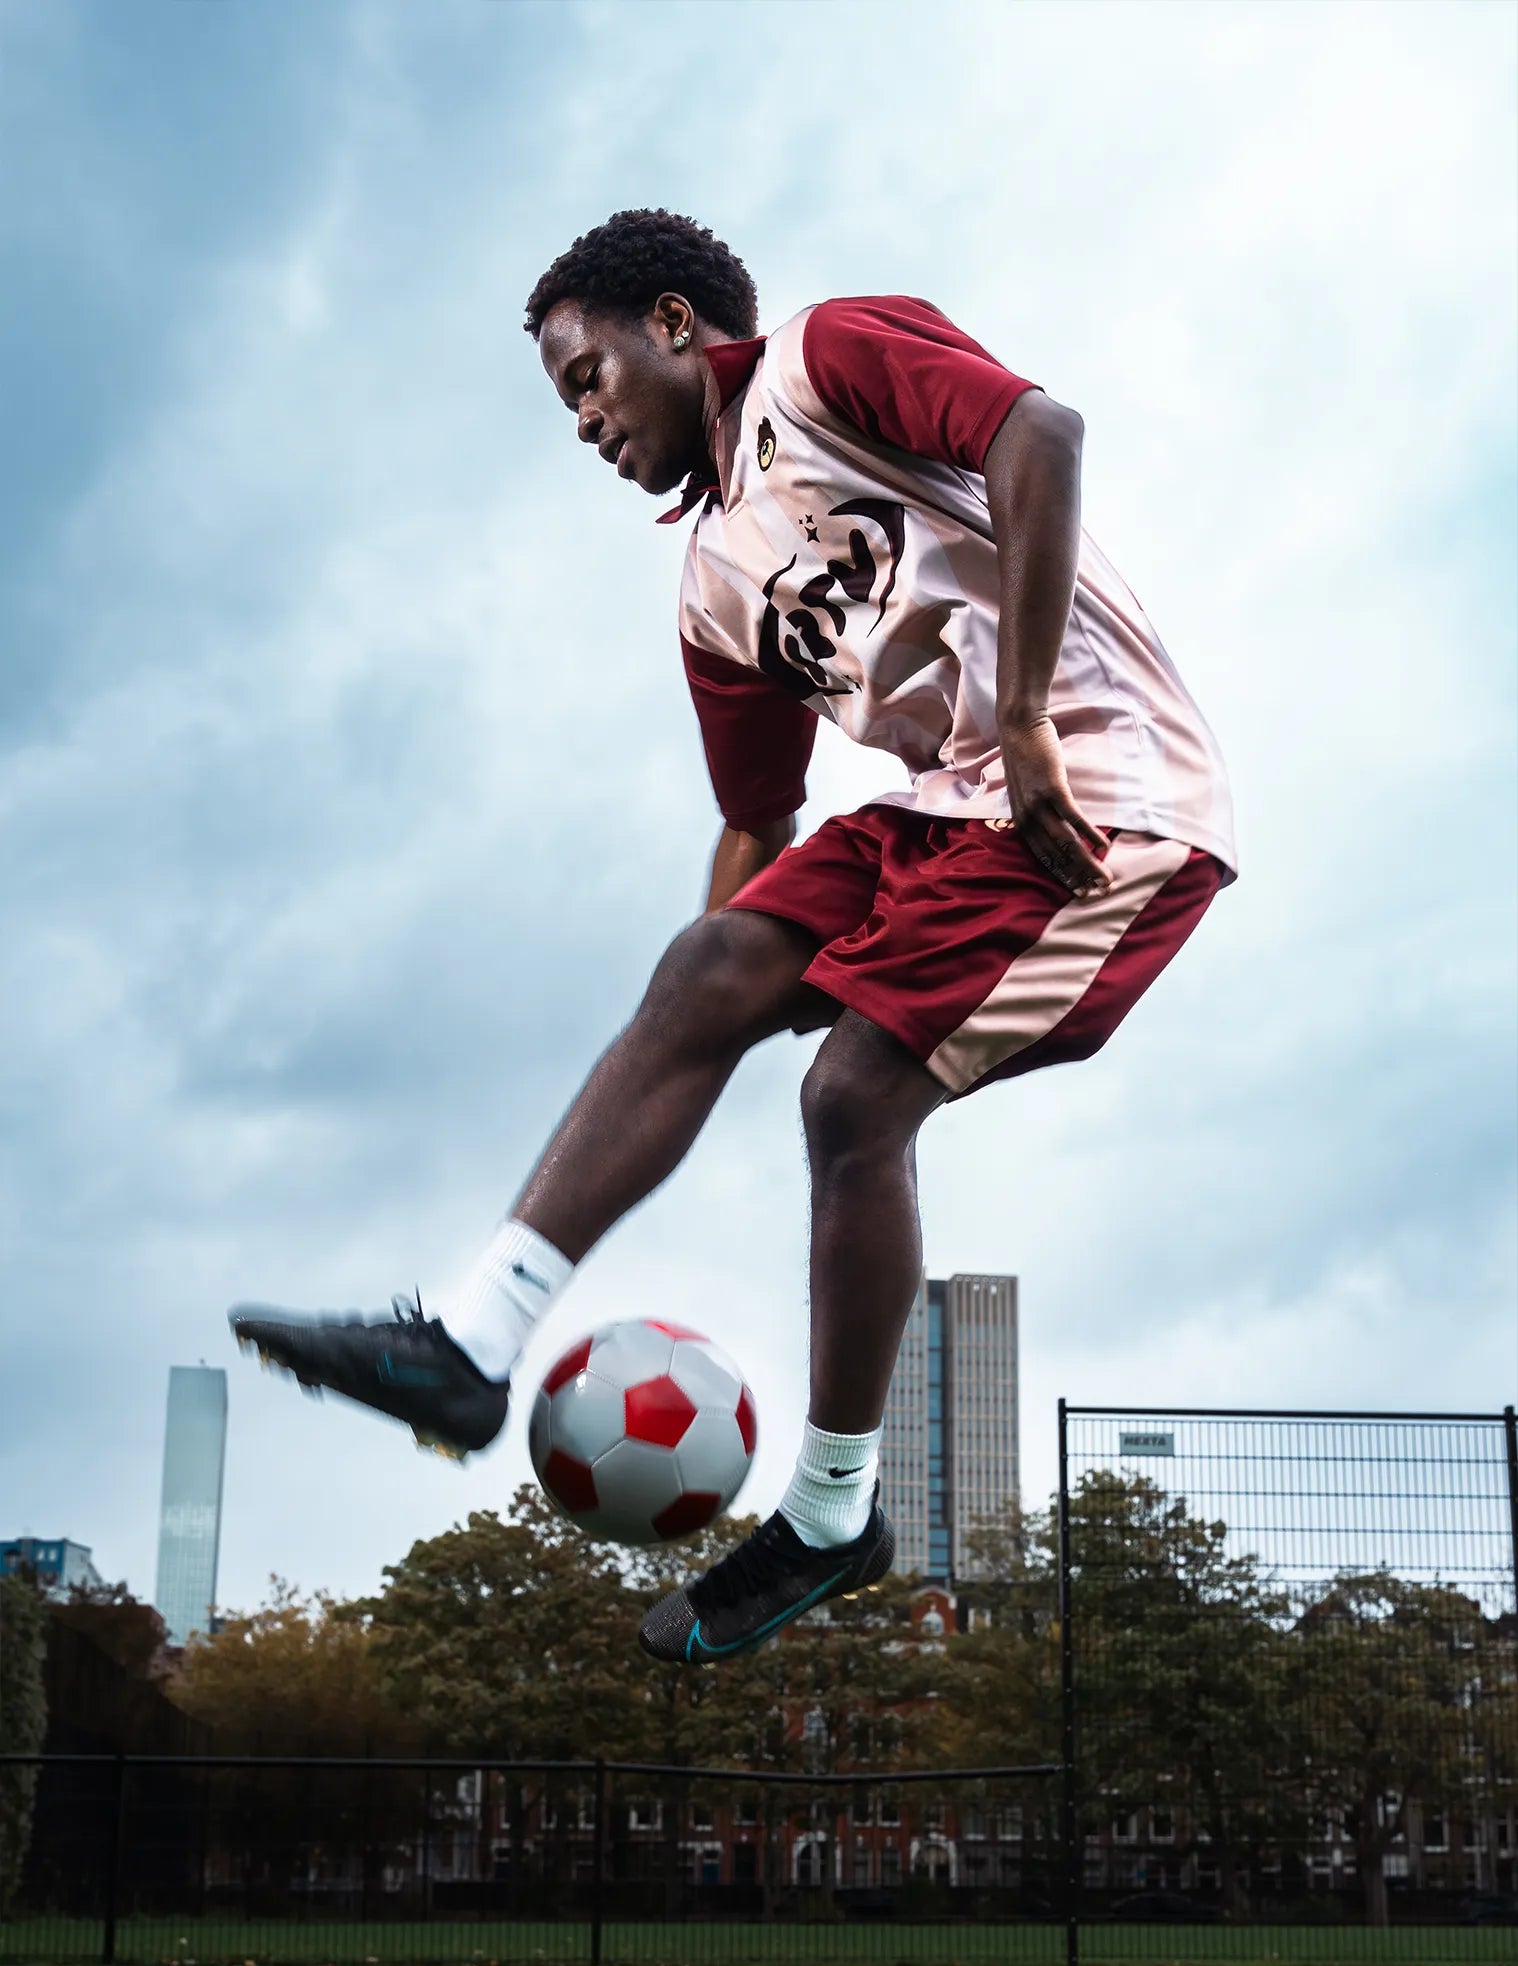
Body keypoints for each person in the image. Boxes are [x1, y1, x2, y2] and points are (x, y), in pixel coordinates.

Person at [231, 209, 1235, 1666]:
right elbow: (756, 823)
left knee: (853, 1096)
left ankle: (831, 1512)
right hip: (947, 809)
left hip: (1104, 797)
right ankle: (468, 1341)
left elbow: (1043, 435)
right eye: (562, 402)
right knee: (706, 962)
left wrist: (1019, 715)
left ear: (676, 328)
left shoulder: (827, 363)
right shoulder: (711, 591)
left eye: (587, 380)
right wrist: (682, 1033)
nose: (581, 423)